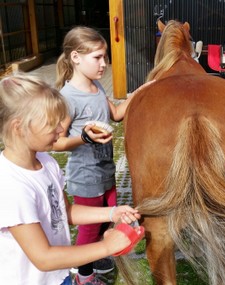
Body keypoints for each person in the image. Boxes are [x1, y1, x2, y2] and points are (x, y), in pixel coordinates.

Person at [0, 74, 141, 285]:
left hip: (58, 275)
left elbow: (64, 212)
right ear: (18, 127)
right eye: (51, 123)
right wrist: (106, 247)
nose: (60, 129)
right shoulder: (12, 185)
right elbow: (44, 258)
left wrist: (112, 212)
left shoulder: (46, 162)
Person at [53, 26, 148, 285]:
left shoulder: (96, 87)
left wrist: (141, 91)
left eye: (104, 57)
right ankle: (84, 276)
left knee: (110, 217)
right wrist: (84, 138)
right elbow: (57, 142)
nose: (103, 63)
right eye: (97, 57)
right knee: (89, 230)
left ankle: (99, 255)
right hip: (86, 177)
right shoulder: (68, 98)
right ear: (75, 57)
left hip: (106, 172)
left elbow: (116, 114)